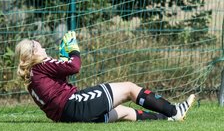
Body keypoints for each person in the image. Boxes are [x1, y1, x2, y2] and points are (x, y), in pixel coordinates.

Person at [15, 31, 195, 123]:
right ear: (34, 52)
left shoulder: (32, 77)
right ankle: (174, 111)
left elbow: (57, 87)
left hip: (68, 117)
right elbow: (75, 66)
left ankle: (167, 119)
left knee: (124, 111)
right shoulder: (42, 64)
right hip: (76, 106)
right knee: (129, 88)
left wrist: (63, 58)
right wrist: (73, 50)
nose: (45, 49)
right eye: (41, 47)